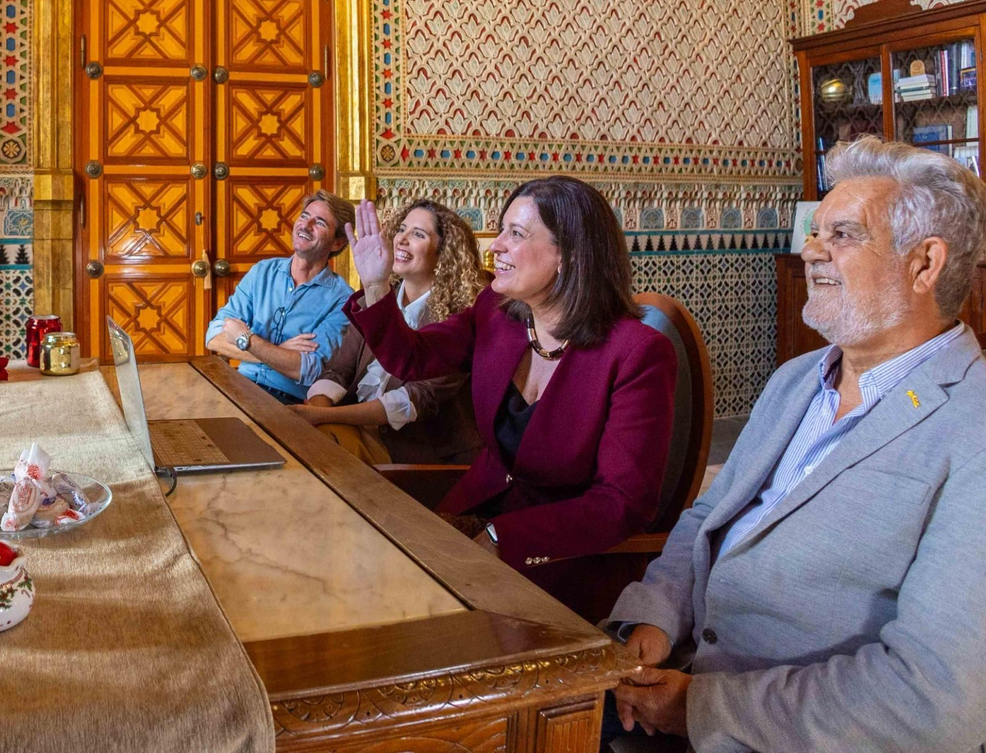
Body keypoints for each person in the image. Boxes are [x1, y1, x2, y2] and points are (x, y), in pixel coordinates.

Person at [607, 136, 986, 752]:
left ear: (925, 264)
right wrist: (656, 615)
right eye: (815, 231)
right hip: (676, 685)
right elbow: (710, 516)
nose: (810, 251)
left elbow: (929, 700)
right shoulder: (797, 379)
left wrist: (700, 707)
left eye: (842, 235)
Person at [341, 177, 676, 592]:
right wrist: (376, 285)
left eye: (515, 234)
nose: (495, 246)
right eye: (502, 230)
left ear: (570, 254)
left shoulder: (638, 353)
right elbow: (413, 358)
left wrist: (502, 539)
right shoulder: (496, 311)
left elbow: (623, 504)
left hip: (564, 555)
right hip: (476, 510)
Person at [291, 200, 481, 465]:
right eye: (401, 229)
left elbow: (411, 402)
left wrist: (324, 417)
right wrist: (318, 407)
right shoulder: (374, 299)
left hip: (415, 452)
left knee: (312, 443)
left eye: (418, 234)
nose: (401, 239)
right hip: (352, 429)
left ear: (444, 254)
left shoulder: (457, 322)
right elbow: (338, 370)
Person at [204, 190, 356, 404]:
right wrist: (279, 352)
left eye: (320, 223)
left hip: (286, 402)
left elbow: (308, 369)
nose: (306, 225)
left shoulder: (343, 299)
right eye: (304, 216)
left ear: (337, 243)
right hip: (239, 386)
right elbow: (213, 336)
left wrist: (246, 339)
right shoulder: (262, 272)